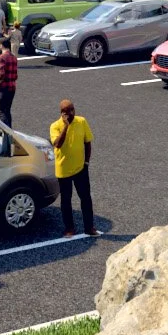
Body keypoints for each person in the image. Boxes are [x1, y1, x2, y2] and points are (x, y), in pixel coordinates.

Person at [50, 99, 98, 236]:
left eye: (72, 109)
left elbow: (87, 142)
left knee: (86, 198)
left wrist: (86, 162)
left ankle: (89, 227)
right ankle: (69, 228)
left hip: (80, 168)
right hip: (63, 169)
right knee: (66, 200)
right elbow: (57, 144)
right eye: (68, 111)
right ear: (62, 113)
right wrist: (65, 126)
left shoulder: (81, 121)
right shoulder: (55, 126)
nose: (71, 113)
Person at [0, 26, 20, 128]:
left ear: (1, 45)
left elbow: (1, 74)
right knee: (7, 111)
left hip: (4, 88)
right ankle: (10, 131)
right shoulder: (14, 57)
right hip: (12, 87)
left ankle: (7, 132)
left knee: (1, 112)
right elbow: (15, 75)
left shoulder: (1, 58)